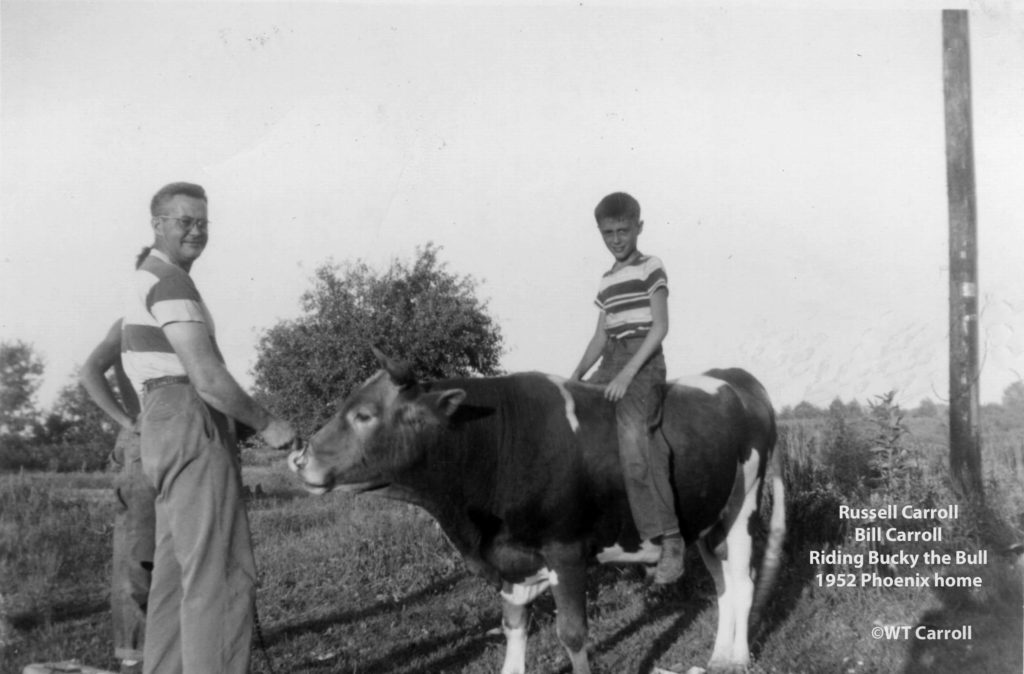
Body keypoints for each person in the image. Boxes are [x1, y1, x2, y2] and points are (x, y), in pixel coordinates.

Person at [121, 181, 297, 674]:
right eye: (184, 221)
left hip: (168, 423)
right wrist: (268, 423)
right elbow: (207, 379)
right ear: (157, 224)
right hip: (189, 416)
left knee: (177, 576)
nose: (196, 230)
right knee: (220, 573)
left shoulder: (148, 278)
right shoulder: (170, 281)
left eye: (203, 221)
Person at [569, 191, 684, 585]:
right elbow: (600, 339)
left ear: (639, 227)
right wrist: (575, 379)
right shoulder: (606, 281)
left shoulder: (651, 267)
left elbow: (660, 326)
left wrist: (626, 375)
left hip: (644, 361)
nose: (616, 239)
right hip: (612, 358)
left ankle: (667, 539)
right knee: (568, 423)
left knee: (636, 442)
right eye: (608, 233)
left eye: (623, 230)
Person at [81, 314, 155, 674]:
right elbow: (90, 371)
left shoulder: (183, 313)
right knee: (138, 554)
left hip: (179, 441)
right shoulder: (129, 322)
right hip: (144, 442)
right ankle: (134, 659)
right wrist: (128, 423)